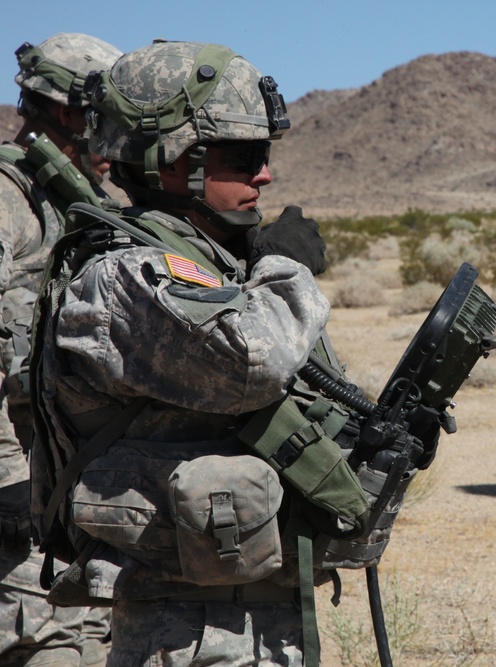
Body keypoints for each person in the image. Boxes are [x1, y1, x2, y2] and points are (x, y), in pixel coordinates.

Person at [28, 39, 428, 667]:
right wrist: (285, 266)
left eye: (263, 155)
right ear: (169, 162)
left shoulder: (209, 266)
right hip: (187, 632)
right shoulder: (125, 275)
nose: (264, 175)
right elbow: (255, 363)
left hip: (253, 606)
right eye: (243, 157)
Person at [0, 32, 122, 667]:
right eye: (106, 120)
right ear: (70, 113)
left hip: (74, 490)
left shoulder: (84, 206)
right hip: (17, 497)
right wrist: (12, 484)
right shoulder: (8, 198)